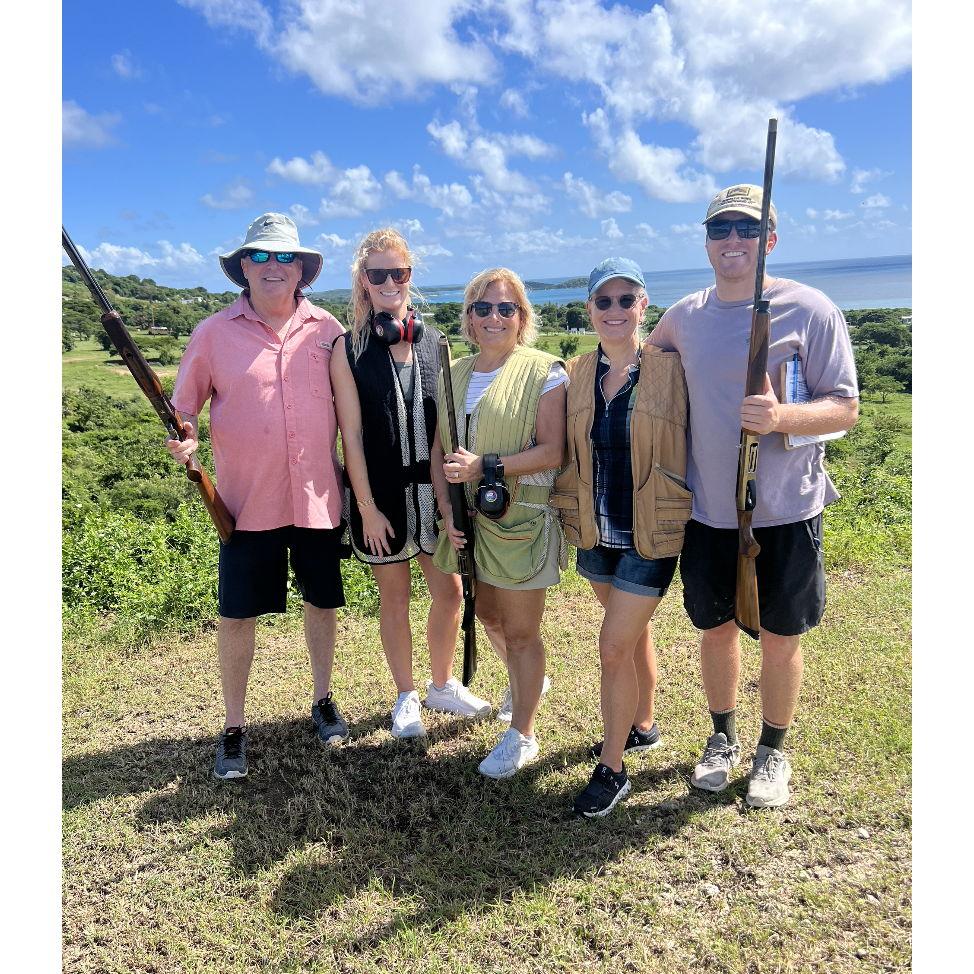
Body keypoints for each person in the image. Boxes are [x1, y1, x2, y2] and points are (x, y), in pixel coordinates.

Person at [647, 184, 859, 808]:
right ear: (707, 241)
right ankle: (722, 736)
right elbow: (646, 366)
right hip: (708, 509)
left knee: (780, 636)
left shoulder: (811, 309)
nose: (732, 240)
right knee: (714, 629)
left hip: (787, 508)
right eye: (720, 229)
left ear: (769, 238)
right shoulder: (686, 315)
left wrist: (782, 417)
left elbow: (845, 406)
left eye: (746, 228)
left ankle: (773, 748)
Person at [166, 212, 350, 780]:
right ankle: (233, 725)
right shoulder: (213, 333)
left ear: (302, 269)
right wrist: (187, 442)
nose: (273, 268)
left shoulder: (328, 331)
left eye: (284, 258)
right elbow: (183, 410)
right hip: (246, 505)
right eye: (261, 257)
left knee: (323, 603)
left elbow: (352, 414)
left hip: (318, 498)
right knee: (237, 614)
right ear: (243, 267)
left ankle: (322, 701)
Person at [330, 228, 492, 738]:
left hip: (433, 494)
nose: (389, 282)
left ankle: (442, 685)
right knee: (394, 597)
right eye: (378, 274)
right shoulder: (348, 348)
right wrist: (367, 507)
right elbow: (350, 437)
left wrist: (449, 504)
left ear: (409, 277)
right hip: (380, 498)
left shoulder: (434, 344)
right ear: (363, 281)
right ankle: (406, 695)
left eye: (398, 273)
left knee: (450, 593)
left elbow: (446, 431)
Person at [551, 257, 691, 817]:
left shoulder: (671, 370)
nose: (614, 310)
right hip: (596, 528)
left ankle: (612, 768)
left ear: (643, 307)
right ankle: (642, 724)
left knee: (612, 645)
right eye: (603, 301)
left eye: (625, 299)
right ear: (589, 310)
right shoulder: (577, 372)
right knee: (629, 637)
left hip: (651, 529)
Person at [433, 268, 567, 779]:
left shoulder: (543, 371)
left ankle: (523, 734)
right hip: (469, 521)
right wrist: (447, 509)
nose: (494, 317)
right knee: (486, 615)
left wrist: (485, 466)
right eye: (483, 308)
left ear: (522, 317)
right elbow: (439, 450)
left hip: (521, 521)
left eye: (506, 308)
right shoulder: (455, 374)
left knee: (522, 632)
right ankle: (525, 682)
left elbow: (554, 450)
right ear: (468, 318)